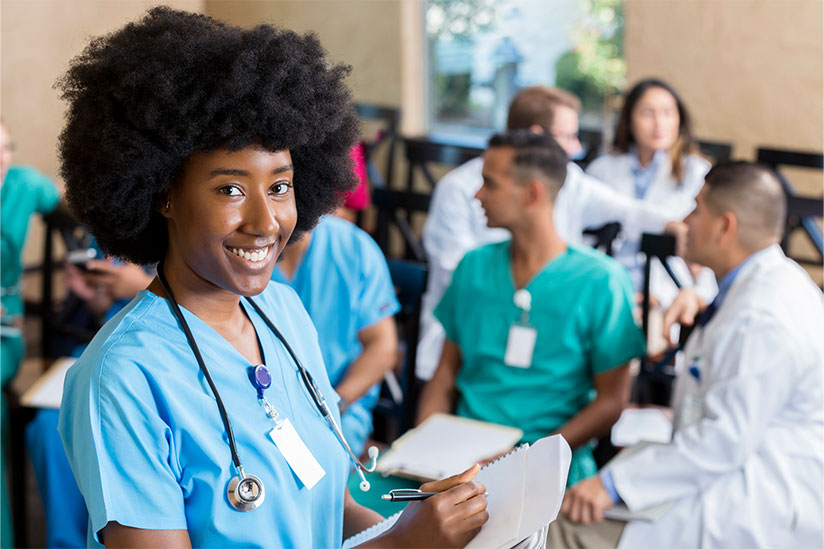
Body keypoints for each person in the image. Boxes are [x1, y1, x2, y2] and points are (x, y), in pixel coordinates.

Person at [56, 8, 488, 547]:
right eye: (230, 189)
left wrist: (420, 523)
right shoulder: (122, 378)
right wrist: (403, 546)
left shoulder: (283, 312)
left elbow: (332, 505)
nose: (266, 222)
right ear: (162, 192)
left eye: (280, 186)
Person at [558, 162, 824, 548]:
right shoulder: (762, 286)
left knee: (564, 531)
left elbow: (723, 440)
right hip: (734, 471)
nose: (684, 220)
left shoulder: (760, 316)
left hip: (756, 501)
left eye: (696, 208)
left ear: (725, 227)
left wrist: (611, 484)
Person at [417, 131, 646, 487]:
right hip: (460, 459)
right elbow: (445, 372)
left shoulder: (601, 282)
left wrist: (529, 459)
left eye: (489, 184)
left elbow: (612, 401)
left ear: (532, 193)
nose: (477, 195)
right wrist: (424, 446)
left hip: (548, 469)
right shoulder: (474, 267)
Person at [417, 86, 681, 381]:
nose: (576, 148)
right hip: (470, 338)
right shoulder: (458, 192)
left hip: (546, 334)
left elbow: (630, 211)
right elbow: (459, 281)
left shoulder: (571, 181)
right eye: (567, 136)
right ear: (537, 136)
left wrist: (678, 228)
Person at [26, 256, 155, 548]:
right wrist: (100, 300)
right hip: (108, 342)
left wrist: (144, 287)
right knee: (50, 427)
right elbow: (110, 318)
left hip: (159, 353)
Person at [272, 214, 399, 458]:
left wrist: (335, 405)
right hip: (264, 412)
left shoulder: (354, 249)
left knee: (317, 466)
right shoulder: (241, 251)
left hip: (340, 410)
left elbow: (382, 346)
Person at [586, 78, 716, 306]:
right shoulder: (602, 169)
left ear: (679, 119)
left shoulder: (696, 172)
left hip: (666, 289)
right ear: (629, 119)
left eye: (668, 113)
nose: (659, 123)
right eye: (647, 113)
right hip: (605, 284)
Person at [0, 120, 60, 548]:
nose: (0, 160)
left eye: (5, 147)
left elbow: (73, 212)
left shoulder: (22, 185)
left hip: (6, 335)